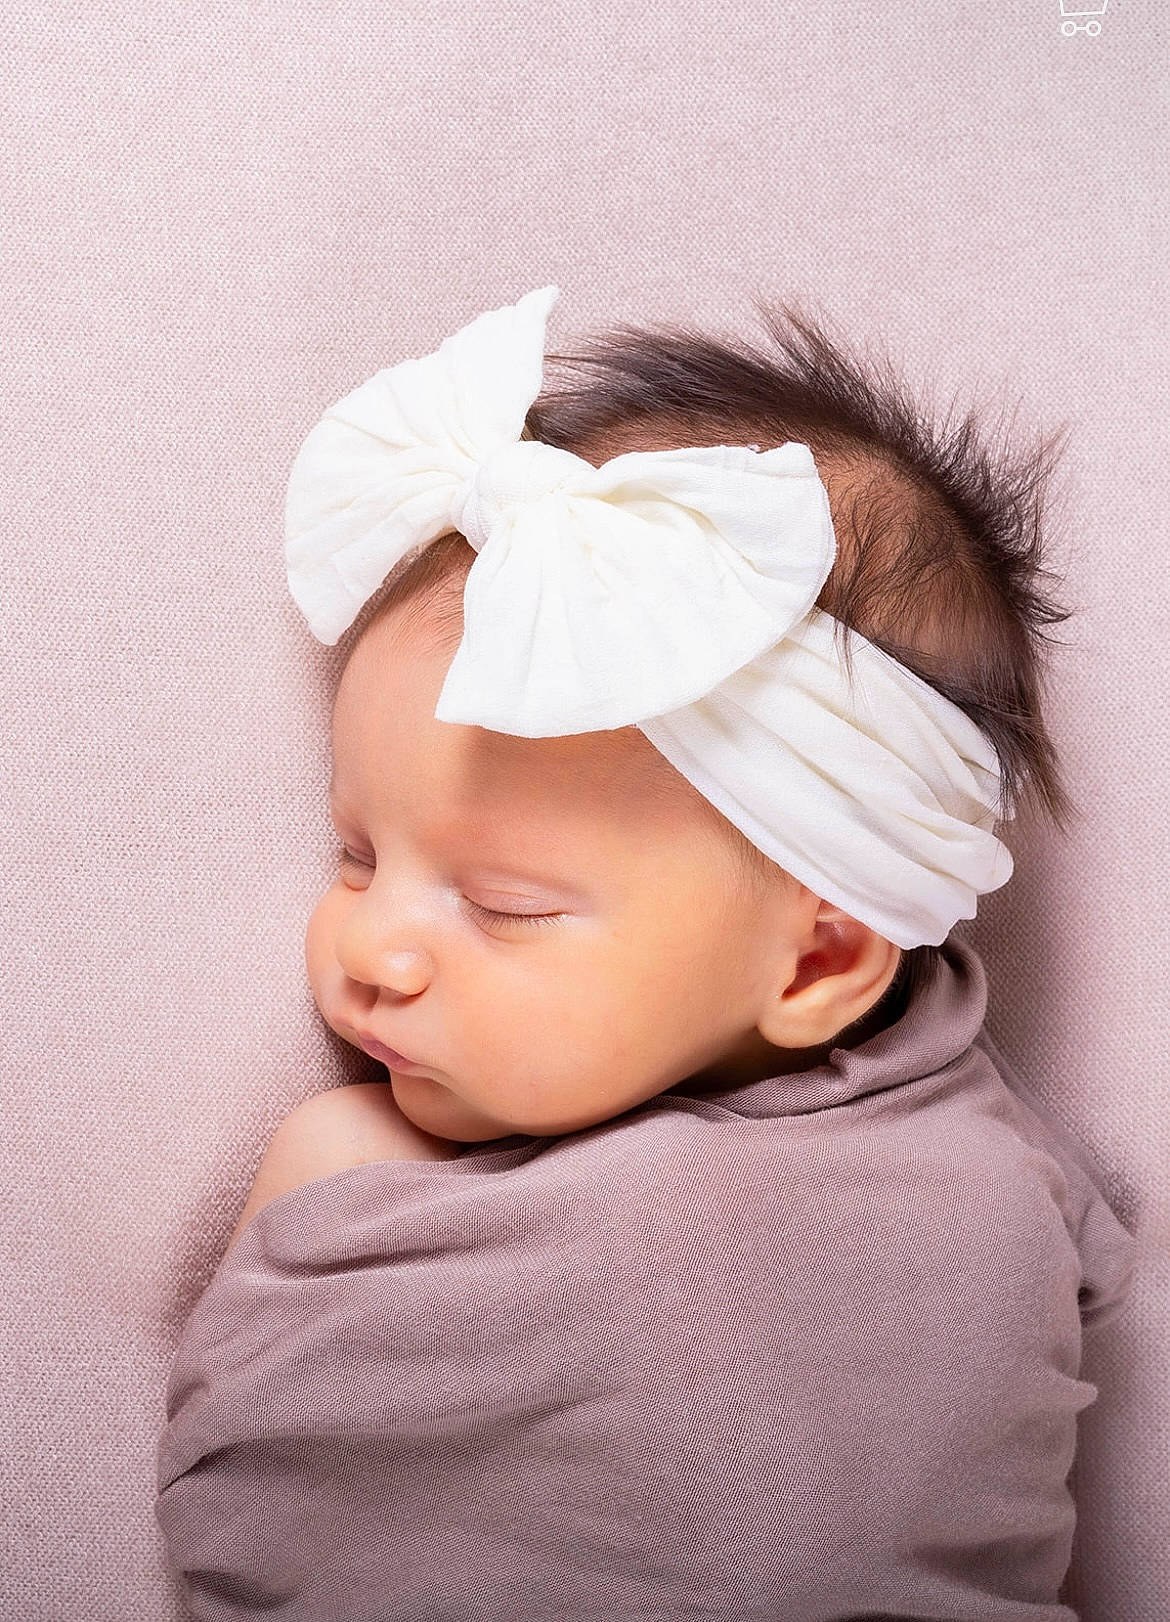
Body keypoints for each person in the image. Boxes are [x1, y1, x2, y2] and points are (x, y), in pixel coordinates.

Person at [154, 286, 1136, 1620]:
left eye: (502, 904)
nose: (372, 944)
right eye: (357, 853)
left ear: (815, 961)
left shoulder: (981, 1186)